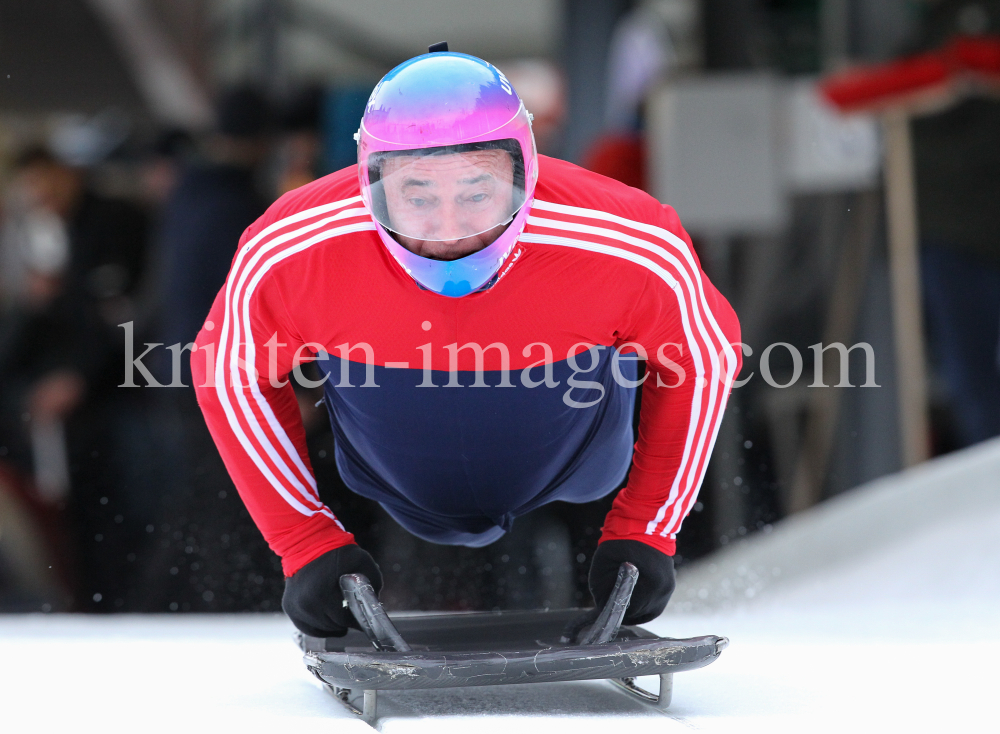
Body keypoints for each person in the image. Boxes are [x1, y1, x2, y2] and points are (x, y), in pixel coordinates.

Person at [192, 49, 741, 638]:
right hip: (392, 468)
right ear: (369, 182)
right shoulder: (294, 248)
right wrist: (305, 543)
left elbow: (703, 355)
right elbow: (227, 371)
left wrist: (646, 529)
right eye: (418, 196)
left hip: (577, 456)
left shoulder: (624, 241)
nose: (449, 228)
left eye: (478, 193)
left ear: (523, 171)